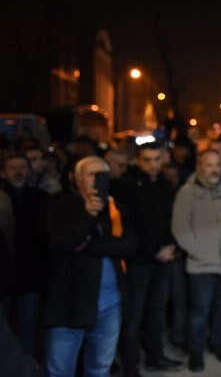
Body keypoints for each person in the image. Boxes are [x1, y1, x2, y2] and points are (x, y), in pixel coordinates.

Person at [42, 156, 136, 377]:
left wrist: (88, 245)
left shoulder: (116, 207)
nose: (96, 180)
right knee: (60, 371)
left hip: (110, 304)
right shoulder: (59, 206)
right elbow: (61, 243)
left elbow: (130, 245)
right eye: (91, 174)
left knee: (100, 368)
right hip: (69, 304)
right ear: (77, 179)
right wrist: (88, 215)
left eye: (101, 175)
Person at [119, 142, 183, 375]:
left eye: (156, 159)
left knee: (157, 311)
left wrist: (171, 246)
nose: (152, 164)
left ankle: (155, 357)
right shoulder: (127, 185)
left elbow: (170, 220)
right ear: (138, 160)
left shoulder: (164, 184)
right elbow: (130, 226)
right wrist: (155, 250)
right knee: (134, 316)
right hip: (139, 261)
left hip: (163, 258)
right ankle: (131, 366)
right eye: (147, 160)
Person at [171, 150, 221, 372]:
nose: (214, 169)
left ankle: (217, 343)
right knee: (199, 312)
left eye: (217, 165)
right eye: (209, 165)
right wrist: (200, 252)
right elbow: (180, 229)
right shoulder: (187, 193)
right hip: (201, 265)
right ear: (199, 167)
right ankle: (196, 352)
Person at [1, 154, 47, 358]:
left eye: (22, 167)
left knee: (27, 328)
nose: (18, 172)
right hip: (4, 275)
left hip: (30, 274)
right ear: (3, 172)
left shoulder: (40, 198)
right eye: (13, 167)